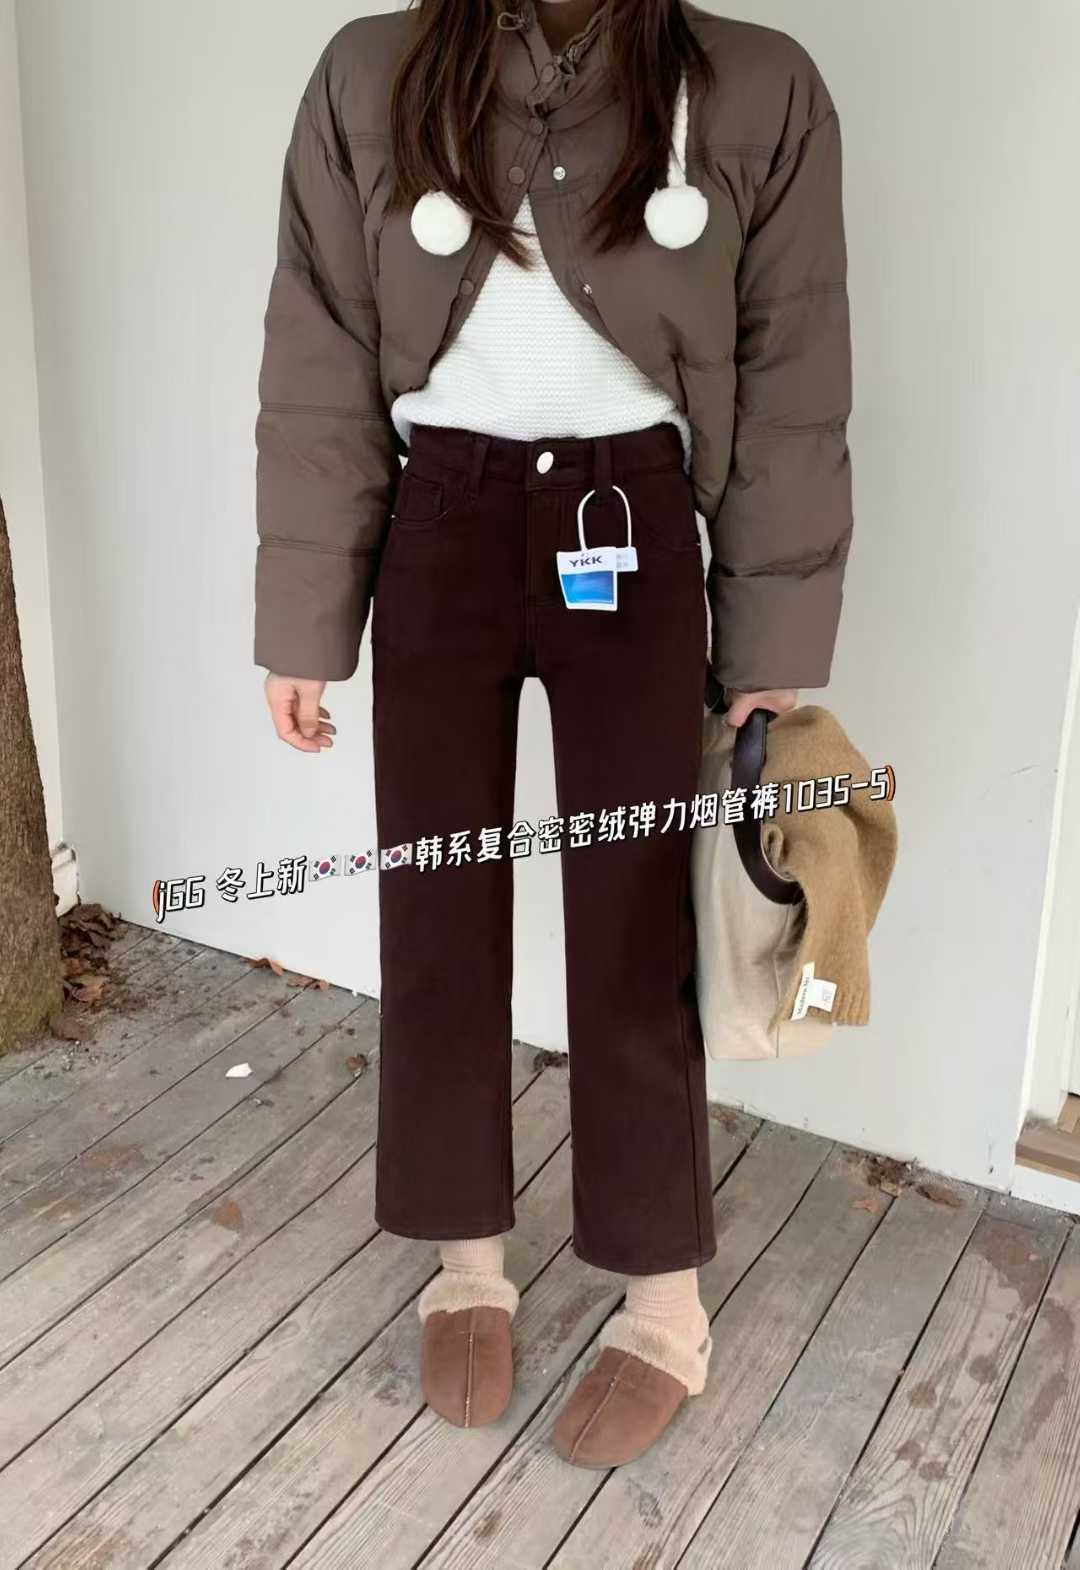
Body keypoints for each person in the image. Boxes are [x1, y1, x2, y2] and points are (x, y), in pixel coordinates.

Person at [254, 0, 852, 1466]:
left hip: (632, 524)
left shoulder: (758, 86)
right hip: (439, 521)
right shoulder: (371, 70)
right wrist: (307, 619)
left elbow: (792, 367)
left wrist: (769, 641)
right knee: (437, 909)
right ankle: (465, 1261)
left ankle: (664, 1298)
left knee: (638, 920)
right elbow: (322, 341)